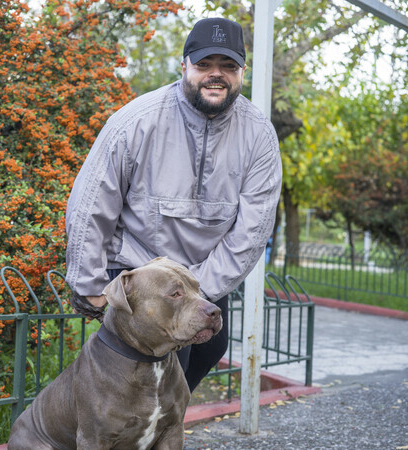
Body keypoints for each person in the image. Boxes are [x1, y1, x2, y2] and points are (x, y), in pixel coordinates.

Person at [65, 17, 282, 392]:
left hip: (206, 276)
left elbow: (252, 231)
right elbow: (91, 204)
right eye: (204, 65)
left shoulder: (259, 136)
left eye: (228, 66)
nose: (216, 75)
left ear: (242, 72)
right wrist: (89, 282)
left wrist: (194, 293)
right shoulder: (135, 121)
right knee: (154, 377)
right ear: (184, 66)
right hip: (137, 271)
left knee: (210, 348)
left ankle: (160, 428)